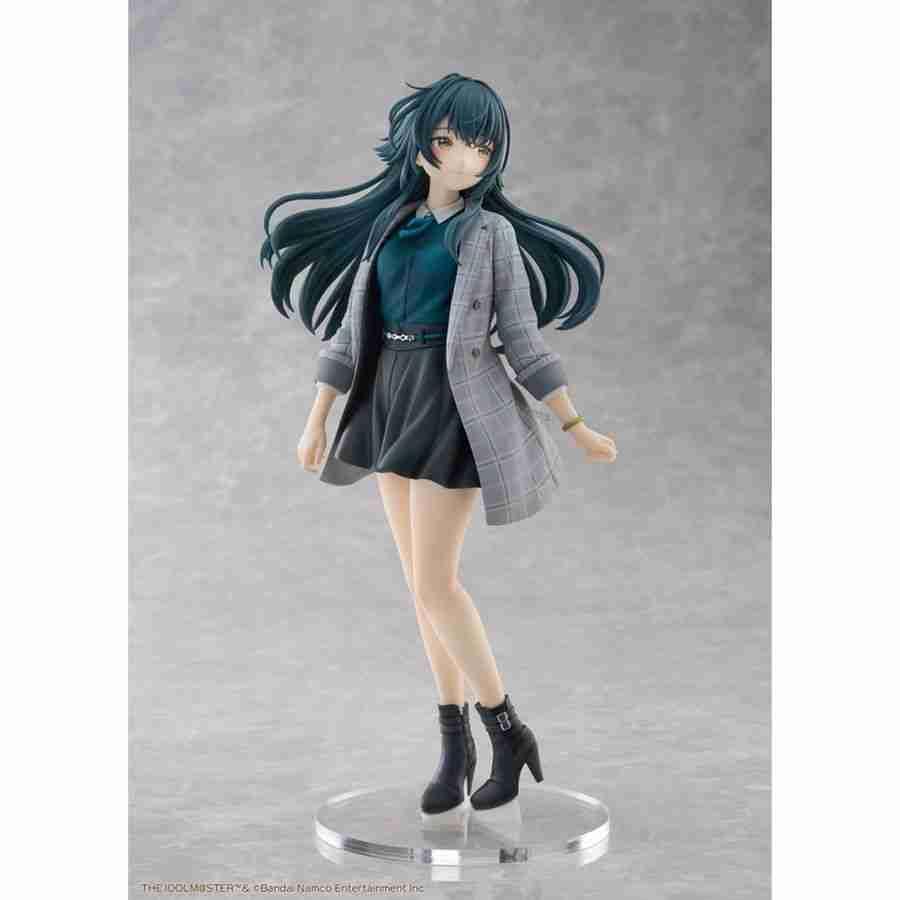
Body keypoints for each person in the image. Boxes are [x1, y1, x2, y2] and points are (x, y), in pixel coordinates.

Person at [260, 73, 617, 816]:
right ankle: (455, 750)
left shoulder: (490, 236)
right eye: (452, 141)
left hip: (453, 406)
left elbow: (522, 339)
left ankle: (507, 730)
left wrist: (574, 422)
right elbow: (350, 330)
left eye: (481, 147)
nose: (466, 159)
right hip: (386, 399)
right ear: (422, 144)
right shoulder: (390, 226)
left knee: (435, 585)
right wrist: (317, 416)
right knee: (419, 590)